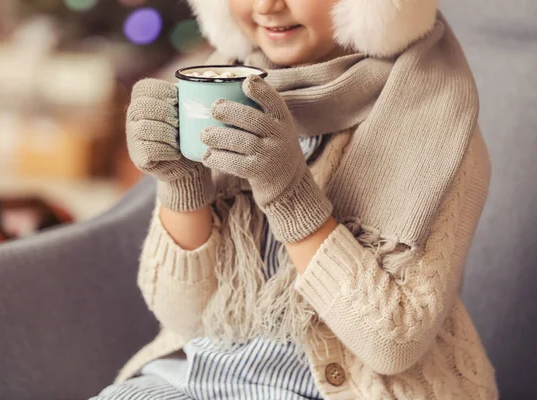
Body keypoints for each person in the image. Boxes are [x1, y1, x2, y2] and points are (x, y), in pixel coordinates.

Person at [92, 0, 498, 398]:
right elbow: (183, 316)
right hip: (199, 374)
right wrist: (181, 184)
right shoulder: (224, 89)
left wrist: (289, 194)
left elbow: (392, 344)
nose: (266, 6)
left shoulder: (440, 130)